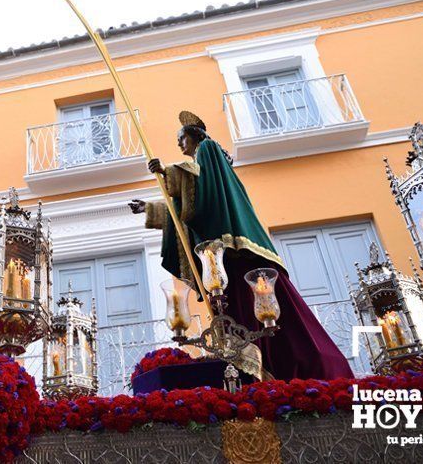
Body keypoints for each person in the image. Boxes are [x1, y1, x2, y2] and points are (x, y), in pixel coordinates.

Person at [130, 110, 353, 381]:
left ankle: (282, 368)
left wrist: (165, 172)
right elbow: (191, 210)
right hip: (225, 259)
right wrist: (150, 209)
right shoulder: (203, 168)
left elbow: (200, 195)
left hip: (236, 251)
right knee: (237, 317)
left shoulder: (208, 149)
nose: (179, 144)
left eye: (181, 138)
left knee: (254, 314)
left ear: (194, 136)